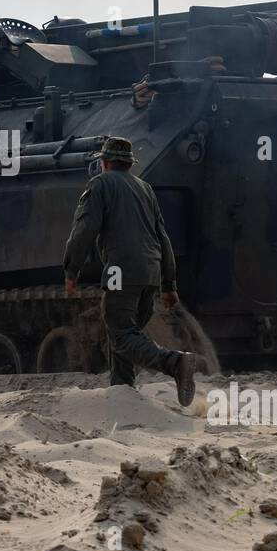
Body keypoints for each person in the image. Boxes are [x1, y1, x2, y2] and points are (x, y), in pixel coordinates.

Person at [62, 136, 197, 405]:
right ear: (128, 164)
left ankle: (175, 364)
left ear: (106, 163)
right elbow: (162, 237)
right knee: (125, 334)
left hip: (121, 269)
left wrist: (71, 269)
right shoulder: (145, 188)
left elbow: (85, 228)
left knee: (122, 334)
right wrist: (169, 284)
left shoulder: (100, 184)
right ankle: (123, 394)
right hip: (151, 272)